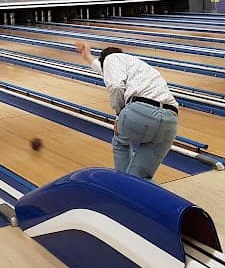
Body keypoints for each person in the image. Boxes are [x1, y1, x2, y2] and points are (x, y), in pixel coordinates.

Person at [75, 41, 178, 180]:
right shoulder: (135, 65)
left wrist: (119, 114)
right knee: (141, 178)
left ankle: (122, 184)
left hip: (140, 110)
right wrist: (87, 55)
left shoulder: (111, 58)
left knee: (121, 143)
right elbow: (100, 68)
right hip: (170, 119)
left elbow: (116, 86)